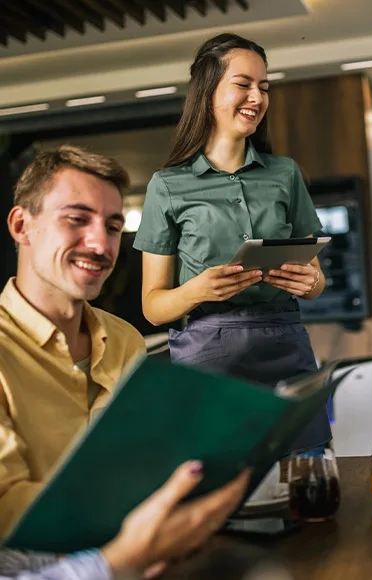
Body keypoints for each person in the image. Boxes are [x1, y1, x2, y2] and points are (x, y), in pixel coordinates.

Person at [0, 146, 249, 576]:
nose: (100, 244)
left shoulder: (124, 340)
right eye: (76, 219)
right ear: (22, 225)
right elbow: (7, 510)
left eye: (113, 226)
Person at [133, 32, 331, 451]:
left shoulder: (284, 174)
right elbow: (152, 306)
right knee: (216, 486)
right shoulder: (167, 186)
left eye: (264, 87)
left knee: (307, 473)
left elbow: (316, 280)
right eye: (243, 84)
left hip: (286, 343)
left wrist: (310, 284)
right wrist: (197, 289)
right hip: (207, 354)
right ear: (208, 93)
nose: (257, 98)